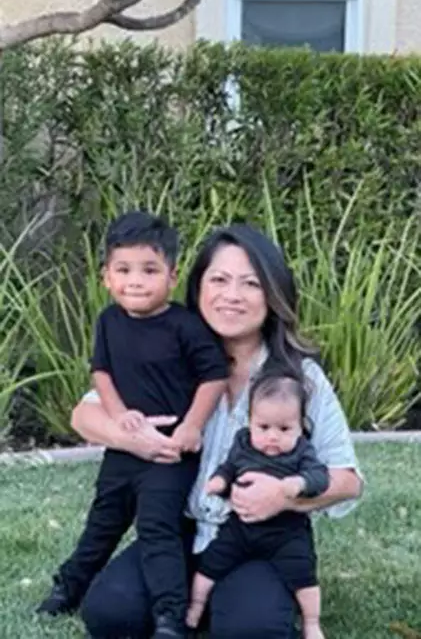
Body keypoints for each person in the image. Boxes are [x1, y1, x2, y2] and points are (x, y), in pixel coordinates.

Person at [67, 223, 363, 639]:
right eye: (219, 280)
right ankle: (201, 601)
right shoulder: (171, 349)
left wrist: (284, 493)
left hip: (259, 536)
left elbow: (349, 481)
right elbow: (83, 414)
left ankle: (239, 602)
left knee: (252, 630)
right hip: (177, 532)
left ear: (272, 295)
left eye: (250, 284)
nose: (231, 296)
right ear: (197, 286)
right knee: (109, 613)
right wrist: (133, 438)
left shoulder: (300, 378)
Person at [37, 211, 228, 639]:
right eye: (123, 270)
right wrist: (118, 414)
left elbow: (213, 376)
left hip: (170, 453)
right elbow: (100, 372)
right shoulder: (109, 322)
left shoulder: (185, 325)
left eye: (149, 270)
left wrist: (192, 427)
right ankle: (68, 588)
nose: (135, 281)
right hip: (123, 450)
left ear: (172, 275)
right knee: (103, 521)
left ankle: (169, 615)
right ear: (106, 276)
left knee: (157, 529)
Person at [187, 366, 329, 639]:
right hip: (240, 526)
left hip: (286, 531)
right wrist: (219, 481)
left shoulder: (302, 451)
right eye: (263, 427)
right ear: (250, 422)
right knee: (210, 563)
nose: (273, 436)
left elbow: (319, 477)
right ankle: (195, 607)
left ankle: (311, 622)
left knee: (303, 573)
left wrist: (296, 485)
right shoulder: (243, 444)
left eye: (285, 428)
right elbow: (229, 467)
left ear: (301, 426)